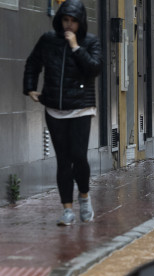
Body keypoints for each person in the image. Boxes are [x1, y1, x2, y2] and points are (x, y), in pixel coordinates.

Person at [23, 0, 102, 226]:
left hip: (81, 109)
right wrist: (30, 88)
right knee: (63, 161)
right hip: (54, 109)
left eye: (74, 21)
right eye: (66, 20)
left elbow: (95, 68)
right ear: (60, 19)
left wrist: (76, 47)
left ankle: (84, 197)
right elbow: (33, 62)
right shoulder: (48, 40)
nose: (69, 25)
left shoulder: (90, 41)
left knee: (79, 156)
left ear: (81, 23)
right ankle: (67, 210)